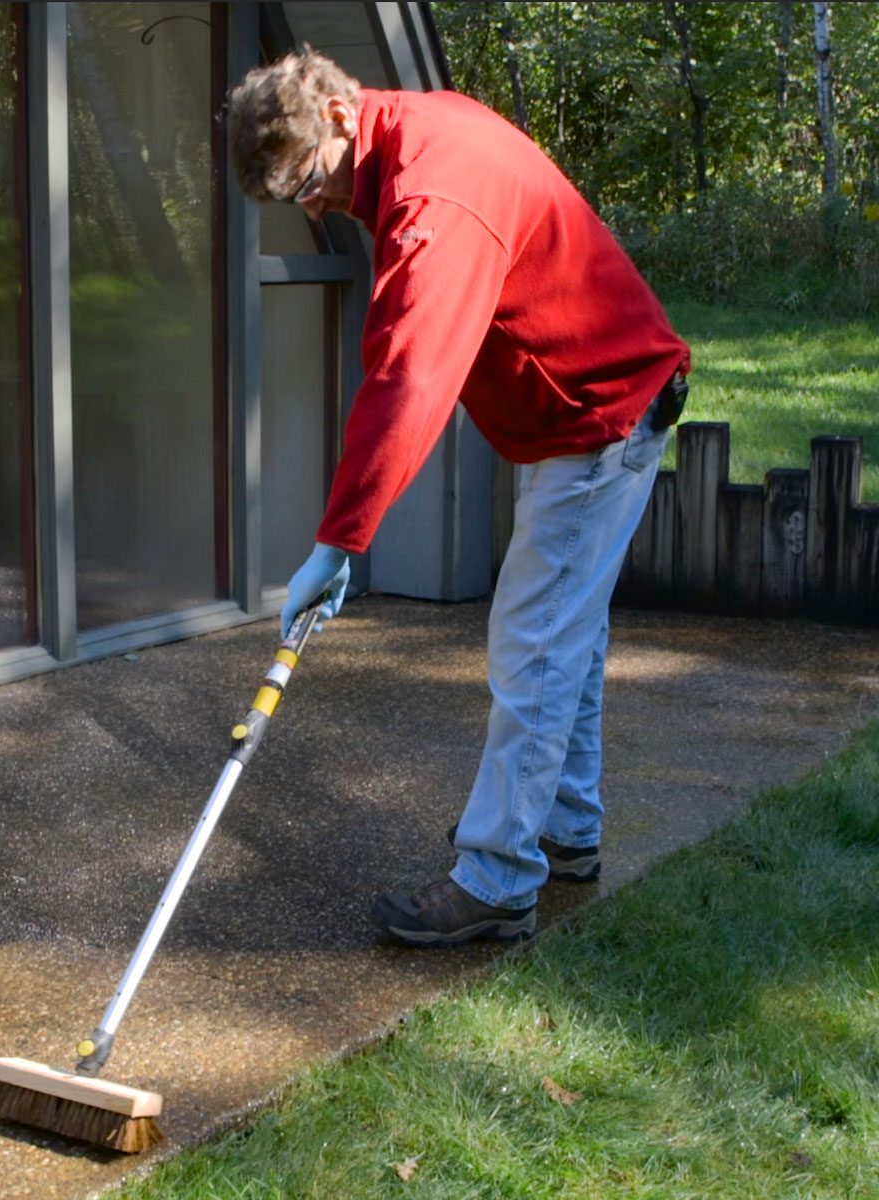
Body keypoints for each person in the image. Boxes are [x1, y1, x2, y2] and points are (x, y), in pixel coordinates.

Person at [227, 48, 691, 948]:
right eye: (293, 199)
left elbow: (408, 379)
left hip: (600, 415)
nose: (313, 208)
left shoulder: (433, 191)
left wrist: (339, 541)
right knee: (564, 634)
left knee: (533, 644)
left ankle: (497, 878)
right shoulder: (408, 135)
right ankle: (565, 832)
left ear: (338, 118)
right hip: (586, 408)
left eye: (308, 184)